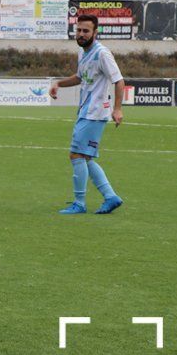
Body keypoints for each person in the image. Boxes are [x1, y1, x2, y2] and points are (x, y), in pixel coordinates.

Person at [50, 14, 125, 215]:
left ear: (95, 32)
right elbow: (79, 77)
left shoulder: (102, 53)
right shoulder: (82, 53)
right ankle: (111, 197)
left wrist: (117, 109)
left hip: (95, 111)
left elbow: (118, 80)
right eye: (79, 30)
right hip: (86, 110)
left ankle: (80, 203)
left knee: (76, 154)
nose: (81, 34)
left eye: (86, 31)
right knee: (86, 157)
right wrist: (58, 83)